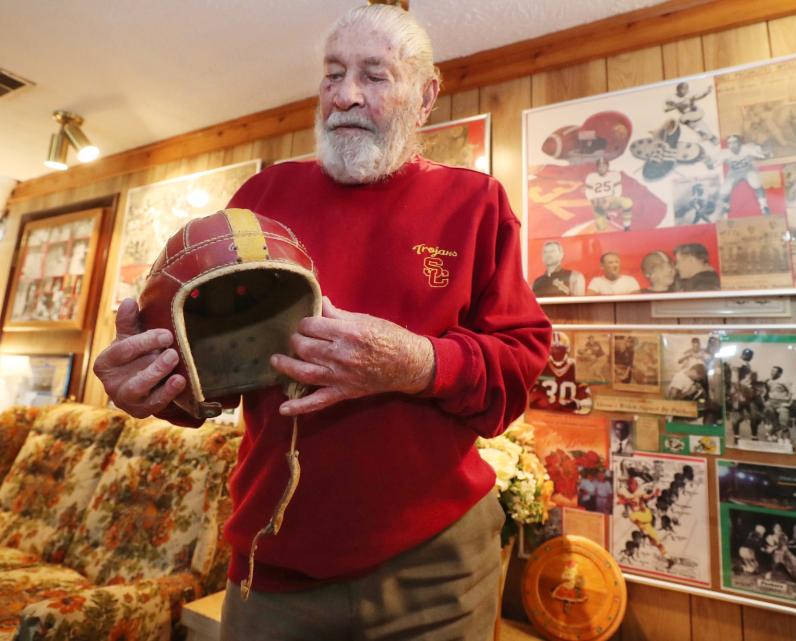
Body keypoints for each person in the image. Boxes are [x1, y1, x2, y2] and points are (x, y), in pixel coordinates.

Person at [91, 6, 551, 641]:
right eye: (332, 74)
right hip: (271, 566)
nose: (345, 95)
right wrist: (153, 385)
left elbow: (518, 368)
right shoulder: (262, 198)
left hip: (436, 572)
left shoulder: (475, 203)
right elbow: (209, 385)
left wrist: (415, 363)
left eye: (374, 75)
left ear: (425, 96)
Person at [717, 134, 770, 216]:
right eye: (729, 143)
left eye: (734, 142)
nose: (732, 145)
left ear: (740, 143)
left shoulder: (748, 148)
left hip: (748, 169)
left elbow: (763, 156)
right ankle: (726, 206)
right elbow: (712, 165)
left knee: (756, 184)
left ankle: (764, 206)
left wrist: (764, 153)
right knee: (724, 192)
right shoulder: (724, 153)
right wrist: (708, 162)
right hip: (734, 172)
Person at [584, 157, 634, 231]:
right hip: (599, 202)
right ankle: (604, 214)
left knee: (628, 202)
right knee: (601, 228)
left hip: (611, 199)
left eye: (604, 166)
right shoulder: (591, 177)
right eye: (600, 166)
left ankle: (627, 226)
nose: (602, 168)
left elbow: (618, 190)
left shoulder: (614, 175)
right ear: (597, 167)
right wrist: (595, 203)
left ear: (607, 167)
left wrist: (609, 200)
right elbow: (589, 192)